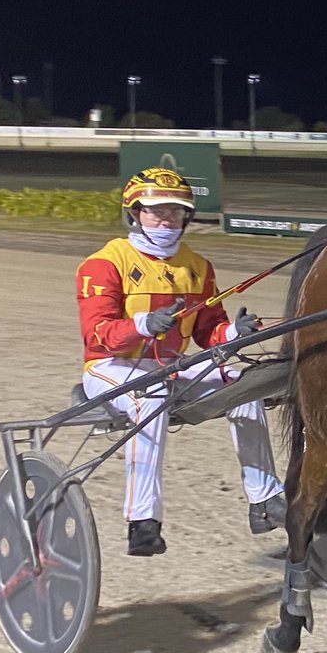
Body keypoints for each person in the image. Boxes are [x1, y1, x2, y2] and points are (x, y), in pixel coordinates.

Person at [76, 167, 286, 556]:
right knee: (150, 395)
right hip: (109, 368)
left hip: (170, 364)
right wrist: (141, 324)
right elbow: (97, 335)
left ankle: (265, 500)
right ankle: (143, 521)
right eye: (157, 211)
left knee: (244, 382)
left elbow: (210, 332)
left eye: (176, 212)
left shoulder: (198, 266)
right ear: (134, 212)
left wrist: (234, 333)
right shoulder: (103, 263)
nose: (167, 220)